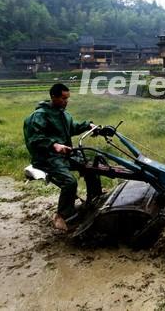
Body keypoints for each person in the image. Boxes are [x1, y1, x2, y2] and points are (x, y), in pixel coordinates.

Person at [23, 83, 102, 231]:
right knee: (69, 181)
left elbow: (73, 128)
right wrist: (54, 145)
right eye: (63, 98)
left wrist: (89, 125)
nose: (66, 101)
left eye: (67, 98)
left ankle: (95, 199)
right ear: (53, 97)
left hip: (64, 155)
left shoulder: (63, 114)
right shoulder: (40, 116)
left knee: (92, 166)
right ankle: (62, 215)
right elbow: (35, 139)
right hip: (47, 157)